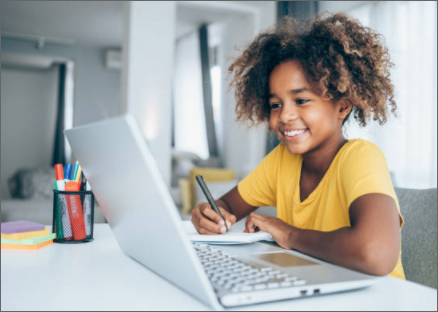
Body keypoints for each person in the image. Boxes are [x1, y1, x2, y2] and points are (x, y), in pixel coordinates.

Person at [191, 12, 405, 279]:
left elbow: (375, 253)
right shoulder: (281, 160)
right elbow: (227, 206)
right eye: (275, 105)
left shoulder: (361, 157)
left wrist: (288, 233)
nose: (284, 116)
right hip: (316, 288)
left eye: (301, 100)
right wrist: (210, 214)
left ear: (342, 105)